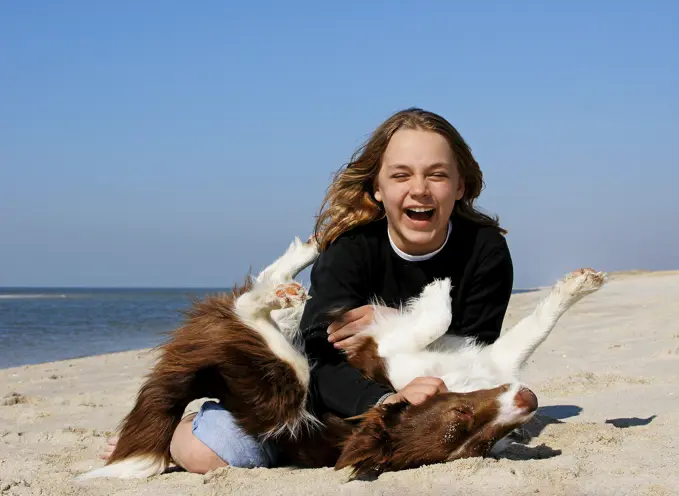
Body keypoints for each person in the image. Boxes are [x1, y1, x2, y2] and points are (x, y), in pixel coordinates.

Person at [101, 107, 513, 473]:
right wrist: (384, 403)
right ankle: (182, 423)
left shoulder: (485, 250)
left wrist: (391, 321)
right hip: (310, 399)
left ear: (460, 186)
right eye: (401, 174)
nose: (419, 189)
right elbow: (318, 358)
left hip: (422, 407)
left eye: (437, 174)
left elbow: (475, 350)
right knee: (202, 453)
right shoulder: (350, 249)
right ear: (377, 188)